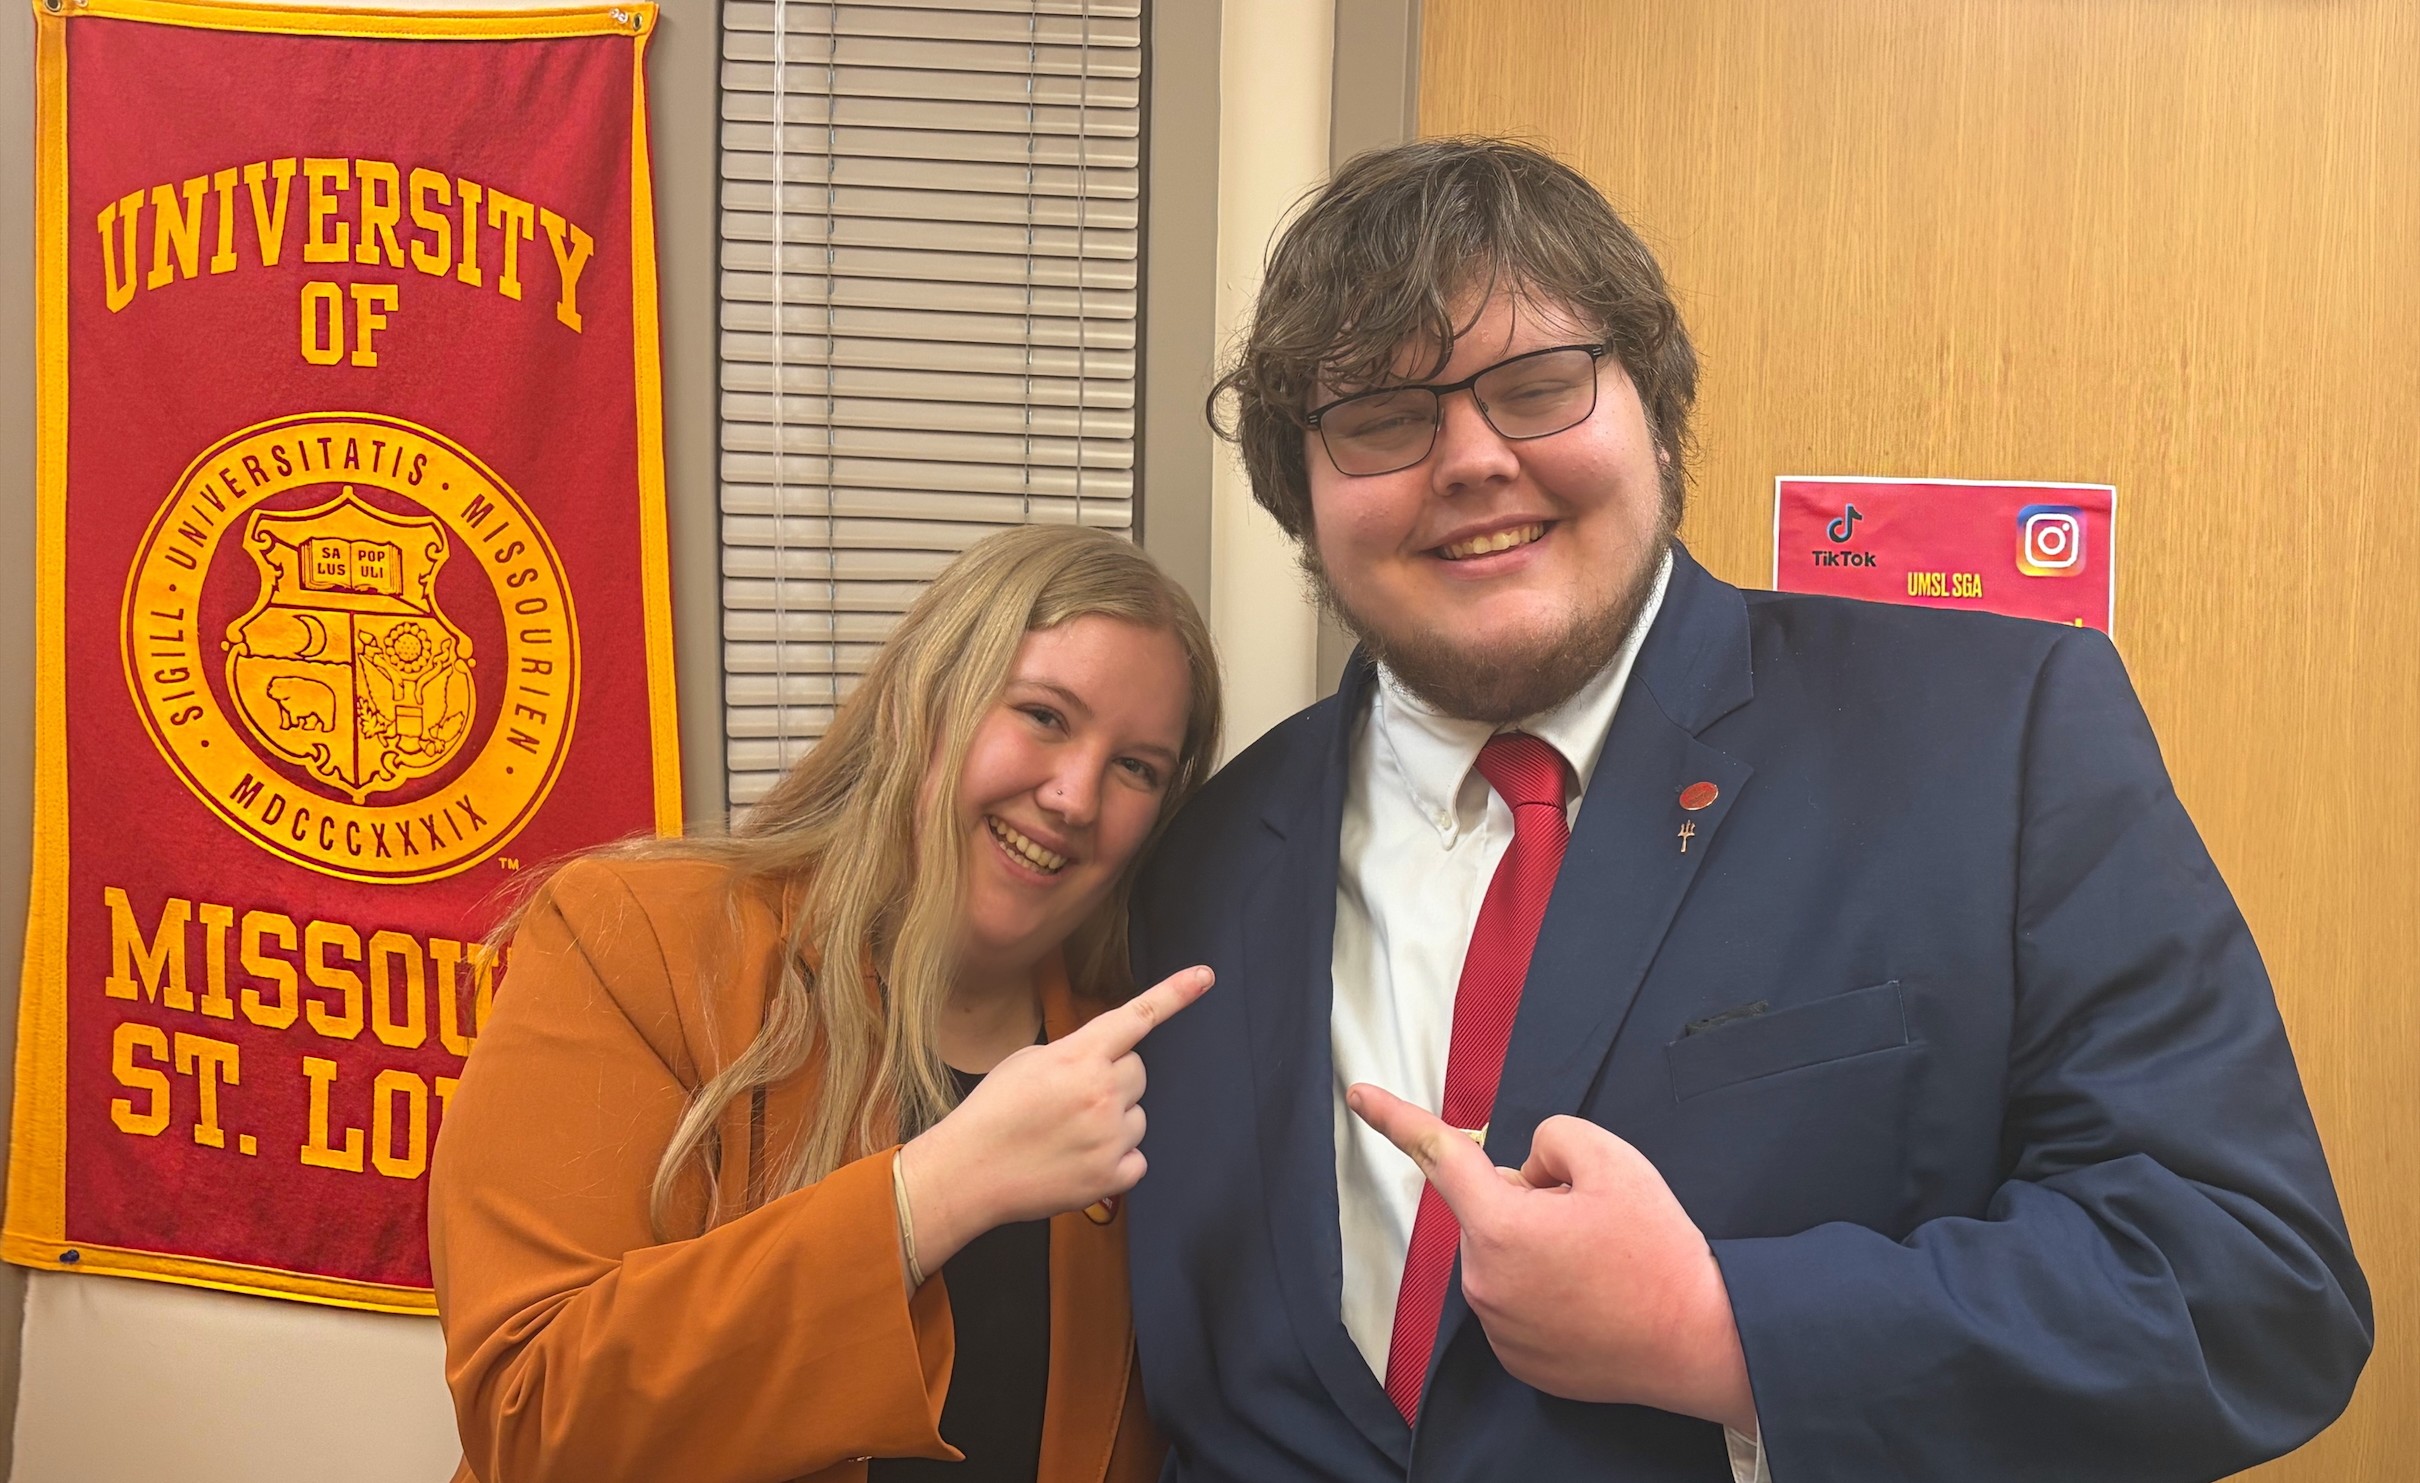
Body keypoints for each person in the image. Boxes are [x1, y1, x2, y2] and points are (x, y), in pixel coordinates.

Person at [1124, 138, 2370, 1482]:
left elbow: (2246, 1291)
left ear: (1656, 414)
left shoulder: (1994, 733)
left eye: (1538, 385)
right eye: (1381, 416)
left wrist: (1715, 1326)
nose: (1472, 458)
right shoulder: (1200, 854)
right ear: (1299, 493)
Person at [429, 524, 1222, 1483]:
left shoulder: (1141, 1059)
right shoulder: (636, 939)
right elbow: (532, 1419)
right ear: (923, 702)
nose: (1075, 795)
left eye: (1136, 765)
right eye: (1045, 716)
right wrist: (932, 1189)